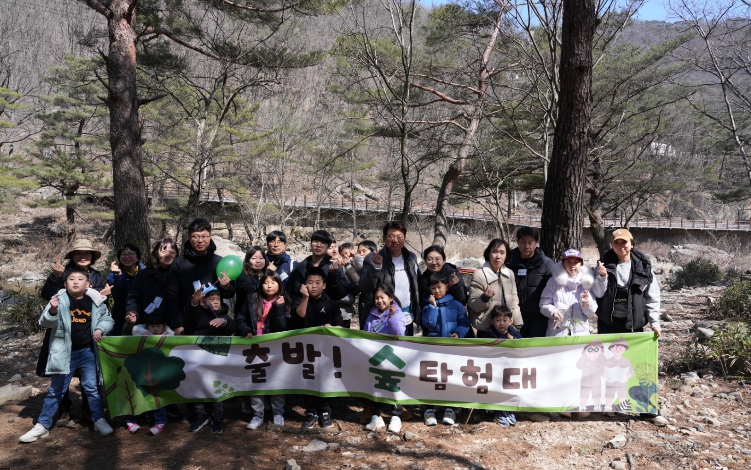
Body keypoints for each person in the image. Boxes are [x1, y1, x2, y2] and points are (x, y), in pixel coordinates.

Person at [19, 268, 114, 443]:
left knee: (92, 388)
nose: (76, 281)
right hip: (64, 353)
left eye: (80, 279)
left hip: (88, 352)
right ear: (65, 283)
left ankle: (98, 420)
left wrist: (101, 328)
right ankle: (43, 425)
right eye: (71, 279)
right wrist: (53, 310)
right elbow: (44, 322)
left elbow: (107, 319)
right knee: (56, 390)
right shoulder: (58, 299)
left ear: (88, 284)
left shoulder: (96, 300)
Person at [593, 228, 666, 426]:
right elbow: (598, 293)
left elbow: (652, 297)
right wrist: (601, 277)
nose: (621, 246)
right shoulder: (603, 265)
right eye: (617, 243)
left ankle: (647, 410)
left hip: (633, 324)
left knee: (638, 366)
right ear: (612, 245)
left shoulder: (643, 267)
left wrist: (655, 323)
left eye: (624, 242)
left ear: (632, 244)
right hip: (608, 323)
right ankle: (610, 406)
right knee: (608, 366)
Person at [37, 238, 107, 423]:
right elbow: (47, 295)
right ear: (73, 256)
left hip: (87, 331)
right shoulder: (63, 272)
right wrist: (55, 276)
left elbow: (99, 303)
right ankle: (64, 408)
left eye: (87, 253)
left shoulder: (96, 275)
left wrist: (102, 296)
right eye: (79, 253)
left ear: (92, 256)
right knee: (61, 372)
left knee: (89, 374)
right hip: (62, 331)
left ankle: (88, 409)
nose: (83, 256)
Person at [236, 271, 290, 429]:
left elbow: (283, 326)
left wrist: (279, 308)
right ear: (261, 285)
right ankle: (257, 415)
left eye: (273, 282)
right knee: (256, 381)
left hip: (275, 349)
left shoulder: (285, 301)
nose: (269, 286)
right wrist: (245, 329)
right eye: (266, 282)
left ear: (279, 285)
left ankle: (278, 413)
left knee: (277, 381)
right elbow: (240, 319)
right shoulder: (251, 300)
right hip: (255, 347)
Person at [165, 218, 235, 335]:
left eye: (204, 236)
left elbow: (230, 294)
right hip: (188, 325)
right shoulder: (178, 263)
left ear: (210, 237)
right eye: (195, 236)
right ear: (189, 237)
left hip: (216, 325)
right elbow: (172, 297)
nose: (200, 240)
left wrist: (226, 287)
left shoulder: (220, 262)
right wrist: (177, 325)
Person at [295, 266, 343, 428]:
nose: (313, 286)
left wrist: (332, 328)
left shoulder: (331, 304)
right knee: (308, 380)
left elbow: (340, 326)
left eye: (317, 282)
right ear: (304, 285)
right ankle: (311, 412)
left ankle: (325, 411)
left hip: (326, 351)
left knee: (325, 380)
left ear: (324, 285)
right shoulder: (300, 301)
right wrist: (305, 298)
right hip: (306, 350)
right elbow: (299, 316)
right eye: (310, 282)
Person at [185, 287, 237, 433]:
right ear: (203, 301)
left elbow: (233, 326)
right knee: (198, 387)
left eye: (218, 299)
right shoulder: (197, 313)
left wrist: (224, 321)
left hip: (216, 361)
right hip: (197, 360)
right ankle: (200, 416)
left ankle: (217, 418)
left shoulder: (223, 315)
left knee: (216, 388)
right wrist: (194, 303)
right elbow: (188, 321)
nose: (216, 302)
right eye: (211, 299)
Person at [421, 272, 470, 427]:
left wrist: (459, 333)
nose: (436, 291)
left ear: (447, 287)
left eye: (439, 287)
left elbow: (464, 324)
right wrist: (432, 307)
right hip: (434, 348)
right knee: (432, 377)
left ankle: (450, 409)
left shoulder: (457, 305)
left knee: (451, 377)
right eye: (433, 288)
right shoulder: (428, 305)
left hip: (452, 349)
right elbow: (428, 323)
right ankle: (429, 409)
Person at [360, 222, 421, 336]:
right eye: (391, 236)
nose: (395, 240)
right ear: (384, 238)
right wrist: (375, 267)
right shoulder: (372, 258)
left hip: (407, 317)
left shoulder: (411, 257)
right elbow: (364, 287)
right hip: (381, 319)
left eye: (399, 236)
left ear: (405, 238)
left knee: (404, 347)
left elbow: (417, 284)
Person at [363, 283, 406, 433]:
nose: (379, 301)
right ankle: (376, 416)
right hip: (377, 357)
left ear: (391, 298)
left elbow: (399, 333)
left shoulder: (398, 313)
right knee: (376, 385)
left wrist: (392, 317)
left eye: (382, 297)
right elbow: (366, 334)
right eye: (377, 298)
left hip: (393, 357)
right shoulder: (371, 315)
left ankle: (396, 416)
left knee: (394, 386)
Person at [287, 230, 347, 328]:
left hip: (326, 318)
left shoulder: (334, 268)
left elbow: (340, 294)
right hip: (302, 320)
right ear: (310, 244)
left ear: (328, 247)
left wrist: (334, 275)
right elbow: (289, 293)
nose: (318, 245)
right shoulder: (299, 268)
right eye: (315, 241)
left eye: (323, 243)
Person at [126, 312, 174, 435]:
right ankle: (131, 420)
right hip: (141, 371)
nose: (155, 329)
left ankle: (160, 421)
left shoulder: (170, 338)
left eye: (158, 326)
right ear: (147, 326)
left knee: (157, 395)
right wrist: (141, 337)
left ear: (164, 326)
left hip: (159, 373)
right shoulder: (140, 335)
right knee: (135, 393)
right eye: (152, 326)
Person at [539, 248, 603, 337]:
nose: (572, 265)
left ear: (581, 264)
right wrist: (553, 312)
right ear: (563, 264)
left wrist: (586, 304)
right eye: (568, 262)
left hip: (580, 335)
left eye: (575, 262)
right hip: (557, 333)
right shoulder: (553, 281)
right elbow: (544, 305)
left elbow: (591, 311)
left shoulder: (587, 282)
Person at [505, 227, 554, 338]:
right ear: (517, 241)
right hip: (515, 315)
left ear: (536, 243)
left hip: (539, 317)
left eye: (530, 242)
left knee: (535, 347)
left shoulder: (546, 263)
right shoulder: (509, 261)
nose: (526, 246)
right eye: (523, 242)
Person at [468, 239, 522, 334]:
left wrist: (518, 323)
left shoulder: (510, 274)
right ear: (488, 254)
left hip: (506, 327)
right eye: (494, 252)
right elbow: (473, 306)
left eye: (502, 253)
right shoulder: (479, 275)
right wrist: (484, 298)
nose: (498, 256)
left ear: (506, 255)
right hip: (486, 328)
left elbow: (514, 300)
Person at [481, 306, 520, 426]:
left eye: (504, 320)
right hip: (493, 370)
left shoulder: (514, 334)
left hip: (509, 370)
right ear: (492, 321)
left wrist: (514, 341)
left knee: (509, 389)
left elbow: (522, 346)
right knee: (495, 390)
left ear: (510, 321)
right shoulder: (488, 335)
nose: (501, 323)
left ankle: (508, 410)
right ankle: (497, 413)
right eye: (498, 320)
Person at [107, 243, 146, 336]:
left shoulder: (146, 274)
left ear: (137, 257)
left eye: (131, 253)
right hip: (121, 315)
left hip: (143, 316)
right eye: (124, 254)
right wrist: (119, 275)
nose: (127, 257)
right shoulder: (113, 275)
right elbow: (122, 295)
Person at [418, 245, 467, 310]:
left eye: (437, 259)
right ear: (425, 261)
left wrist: (454, 287)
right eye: (429, 259)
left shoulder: (452, 274)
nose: (434, 262)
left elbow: (463, 300)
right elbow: (421, 302)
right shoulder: (423, 279)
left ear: (444, 261)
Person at [346, 240, 378, 331]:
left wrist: (348, 267)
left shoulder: (376, 266)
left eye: (364, 251)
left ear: (373, 252)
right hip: (364, 302)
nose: (361, 254)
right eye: (359, 252)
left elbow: (361, 284)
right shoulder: (358, 265)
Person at [235, 246, 268, 316]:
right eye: (254, 258)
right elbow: (251, 289)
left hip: (265, 314)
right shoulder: (242, 276)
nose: (258, 261)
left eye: (261, 258)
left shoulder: (267, 274)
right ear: (248, 260)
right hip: (246, 316)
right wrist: (267, 276)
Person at [335, 243, 357, 329]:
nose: (345, 256)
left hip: (347, 309)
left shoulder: (355, 263)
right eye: (342, 255)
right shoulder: (338, 265)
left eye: (347, 253)